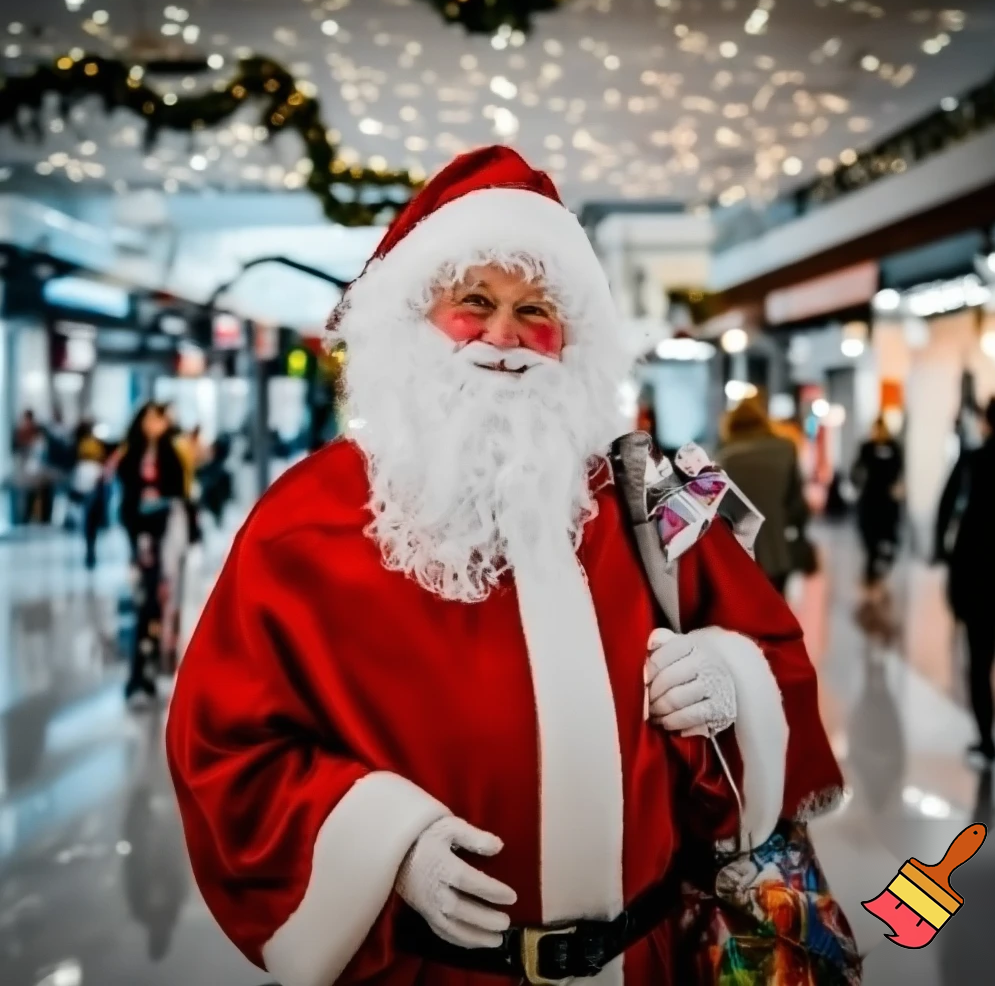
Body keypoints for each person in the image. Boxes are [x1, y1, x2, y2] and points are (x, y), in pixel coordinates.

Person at [166, 147, 845, 986]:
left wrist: (729, 679)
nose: (504, 336)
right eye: (474, 303)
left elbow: (776, 656)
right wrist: (385, 843)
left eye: (536, 311)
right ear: (417, 318)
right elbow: (226, 752)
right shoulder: (306, 521)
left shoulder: (640, 499)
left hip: (644, 963)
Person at [936, 396, 995, 769]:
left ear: (986, 422)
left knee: (980, 661)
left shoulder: (972, 460)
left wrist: (942, 554)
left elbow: (946, 512)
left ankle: (987, 741)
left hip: (977, 576)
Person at [117, 403, 188, 700]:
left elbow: (179, 493)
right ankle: (138, 671)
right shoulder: (131, 455)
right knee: (144, 602)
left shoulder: (171, 454)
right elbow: (127, 499)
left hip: (166, 537)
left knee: (162, 601)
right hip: (142, 538)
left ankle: (154, 665)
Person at [717, 397, 811, 596]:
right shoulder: (785, 449)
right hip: (778, 551)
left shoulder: (725, 459)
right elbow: (797, 505)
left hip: (739, 555)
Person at [851, 417, 904, 598]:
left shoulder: (894, 448)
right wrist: (858, 485)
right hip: (870, 501)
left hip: (887, 503)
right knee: (870, 542)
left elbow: (899, 471)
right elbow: (855, 470)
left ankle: (878, 573)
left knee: (890, 541)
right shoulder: (866, 448)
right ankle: (871, 576)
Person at [71, 420, 109, 568]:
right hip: (91, 486)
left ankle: (90, 549)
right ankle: (90, 549)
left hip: (88, 486)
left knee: (89, 522)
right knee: (90, 522)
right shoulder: (93, 445)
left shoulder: (82, 446)